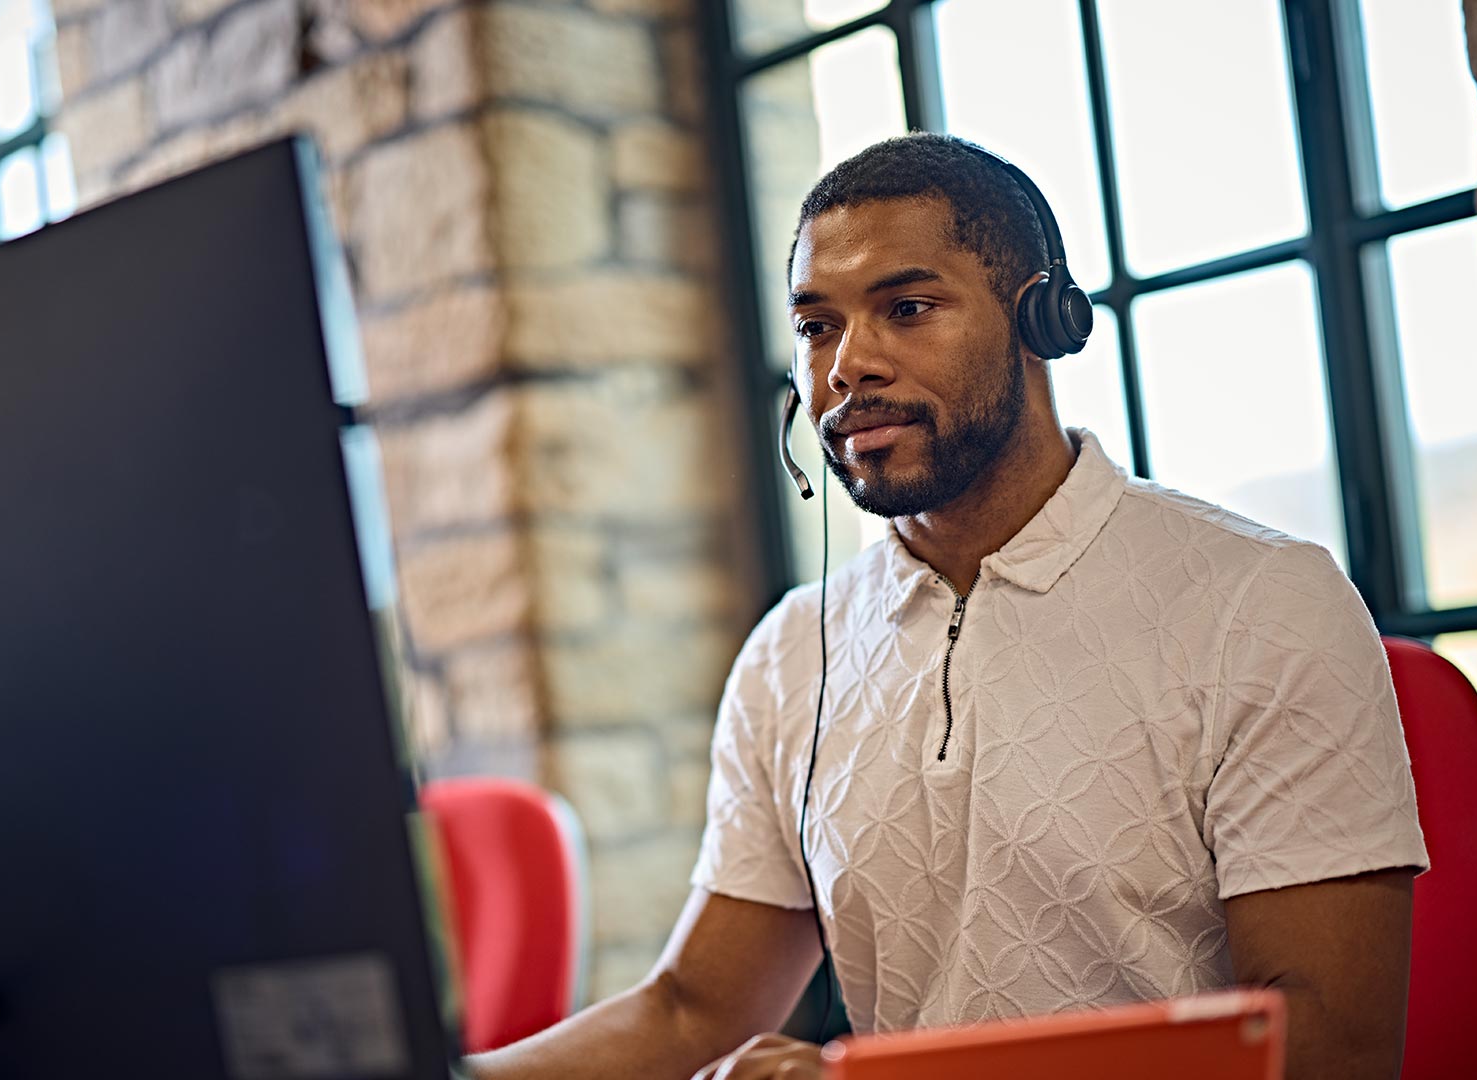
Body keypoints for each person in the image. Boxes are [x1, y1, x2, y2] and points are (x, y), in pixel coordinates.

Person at [465, 133, 1426, 1080]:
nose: (847, 366)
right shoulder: (792, 652)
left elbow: (1330, 1050)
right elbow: (696, 1010)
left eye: (908, 307)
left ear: (1042, 319)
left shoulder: (1262, 602)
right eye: (816, 326)